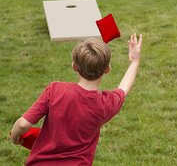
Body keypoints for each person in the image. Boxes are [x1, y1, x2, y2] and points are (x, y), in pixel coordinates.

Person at [10, 33, 143, 166]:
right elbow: (124, 87)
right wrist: (135, 61)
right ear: (107, 69)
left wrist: (15, 137)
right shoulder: (107, 103)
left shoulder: (55, 90)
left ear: (74, 66)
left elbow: (23, 124)